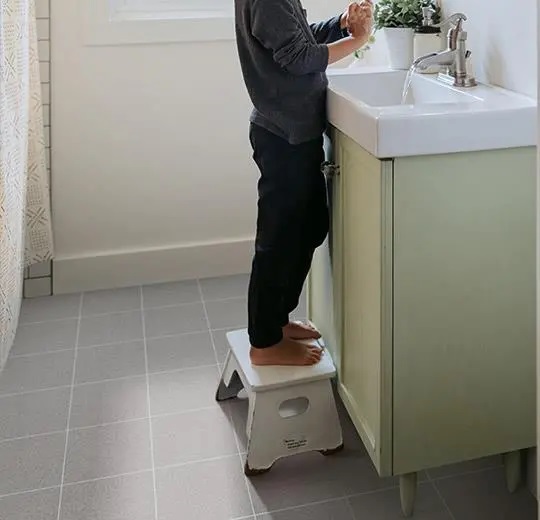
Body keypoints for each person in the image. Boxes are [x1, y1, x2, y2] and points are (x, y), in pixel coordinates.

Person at [235, 0, 373, 366]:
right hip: (282, 135)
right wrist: (358, 40)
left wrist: (340, 23)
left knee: (309, 226)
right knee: (279, 241)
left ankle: (278, 321)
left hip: (293, 131)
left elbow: (297, 39)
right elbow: (298, 58)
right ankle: (264, 342)